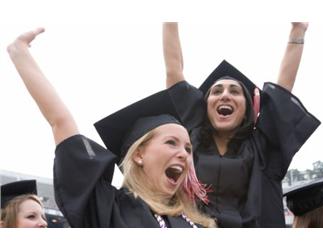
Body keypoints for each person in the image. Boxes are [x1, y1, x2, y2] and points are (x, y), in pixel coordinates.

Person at [7, 28, 216, 228]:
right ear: (139, 154)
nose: (184, 154)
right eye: (171, 142)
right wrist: (20, 53)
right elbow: (60, 122)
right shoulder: (108, 209)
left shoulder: (199, 224)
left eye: (188, 149)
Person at [162, 23, 321, 227]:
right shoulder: (189, 142)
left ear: (247, 108)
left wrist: (297, 30)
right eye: (217, 91)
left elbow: (283, 88)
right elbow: (174, 72)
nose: (225, 95)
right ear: (205, 106)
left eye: (235, 91)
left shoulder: (263, 148)